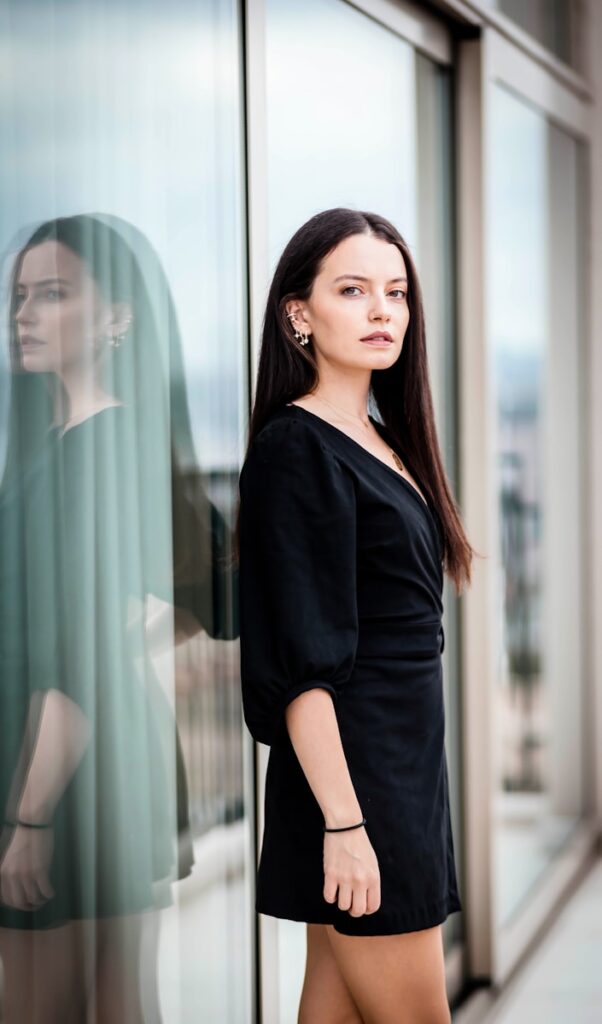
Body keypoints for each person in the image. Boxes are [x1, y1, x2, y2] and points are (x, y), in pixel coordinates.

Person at [236, 208, 476, 1023]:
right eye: (353, 289)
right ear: (298, 314)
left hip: (393, 772)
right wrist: (347, 823)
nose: (383, 311)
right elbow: (303, 662)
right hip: (361, 785)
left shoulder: (379, 437)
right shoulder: (296, 448)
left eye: (396, 292)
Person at [0, 213, 235, 1023]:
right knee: (122, 1002)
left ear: (117, 319)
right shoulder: (113, 443)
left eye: (53, 294)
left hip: (59, 775)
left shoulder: (88, 455)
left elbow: (71, 654)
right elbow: (221, 594)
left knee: (43, 1008)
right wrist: (132, 643)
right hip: (110, 758)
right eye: (20, 296)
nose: (24, 315)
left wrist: (29, 815)